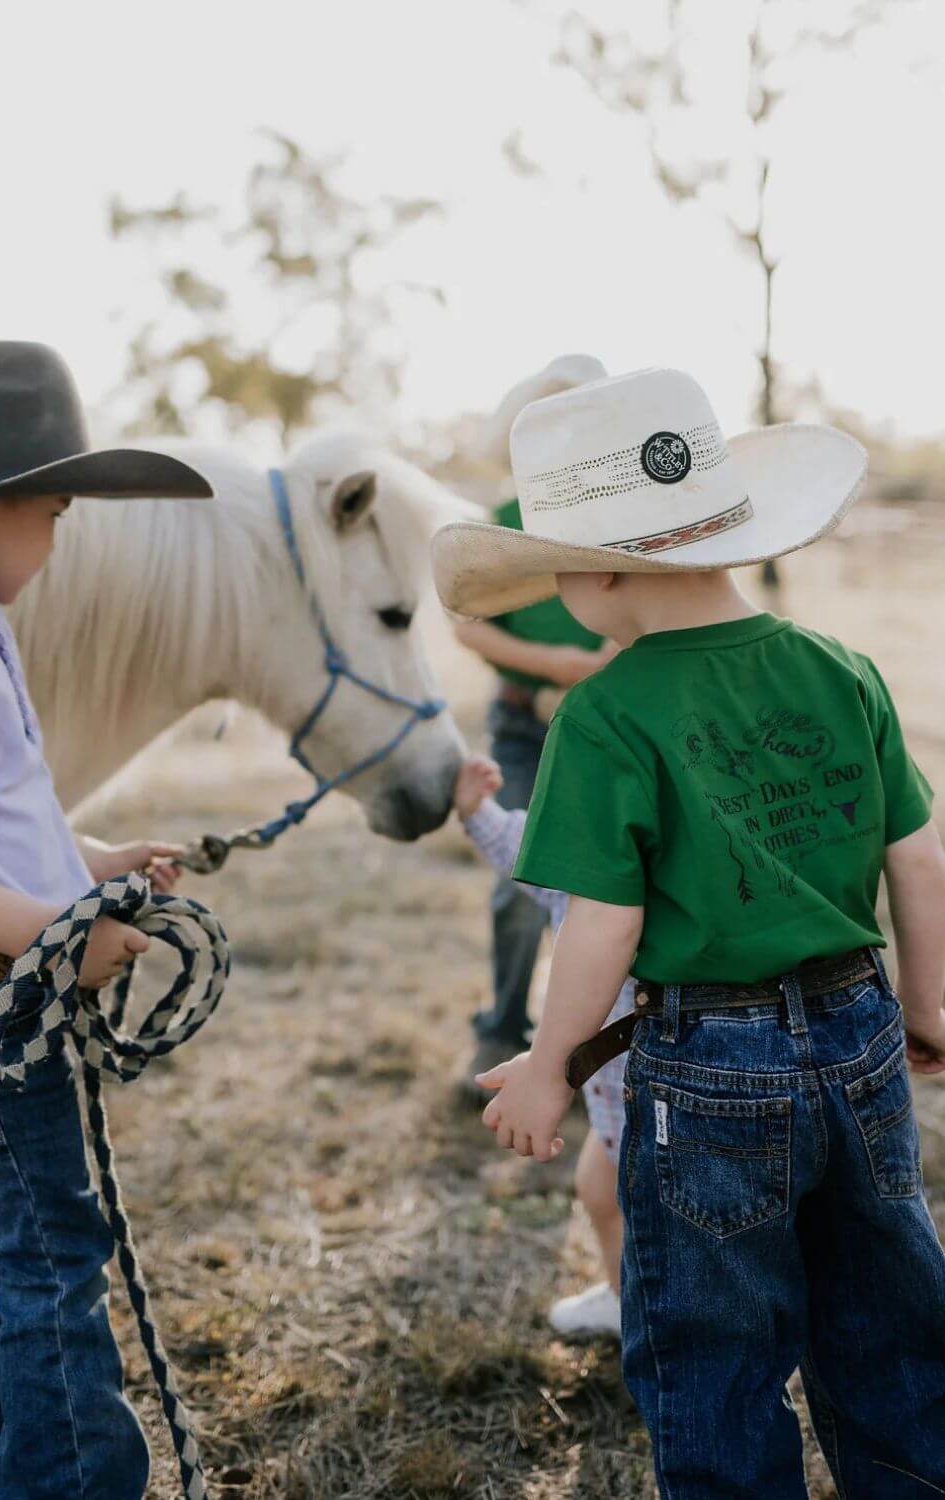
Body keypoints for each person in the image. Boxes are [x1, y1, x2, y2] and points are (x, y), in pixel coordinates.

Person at [432, 364, 945, 1498]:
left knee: (715, 1352)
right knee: (889, 1323)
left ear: (603, 572)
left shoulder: (606, 714)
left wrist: (550, 1067)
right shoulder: (838, 668)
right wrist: (921, 1012)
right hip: (858, 1036)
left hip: (707, 1072)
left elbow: (602, 930)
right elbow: (917, 858)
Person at [0, 341, 215, 1500]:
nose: (60, 531)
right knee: (49, 1261)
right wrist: (56, 937)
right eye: (53, 507)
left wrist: (91, 864)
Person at [454, 355, 618, 1101]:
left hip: (611, 727)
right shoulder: (504, 525)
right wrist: (554, 663)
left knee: (617, 894)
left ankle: (600, 1053)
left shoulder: (621, 516)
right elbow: (471, 630)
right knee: (522, 880)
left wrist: (601, 670)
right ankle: (501, 1028)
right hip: (525, 724)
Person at [454, 752, 631, 1338]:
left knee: (680, 1227)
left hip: (669, 1095)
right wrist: (476, 808)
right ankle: (625, 1296)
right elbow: (517, 845)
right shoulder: (568, 861)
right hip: (613, 1103)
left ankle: (704, 1328)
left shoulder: (641, 871)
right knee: (598, 1191)